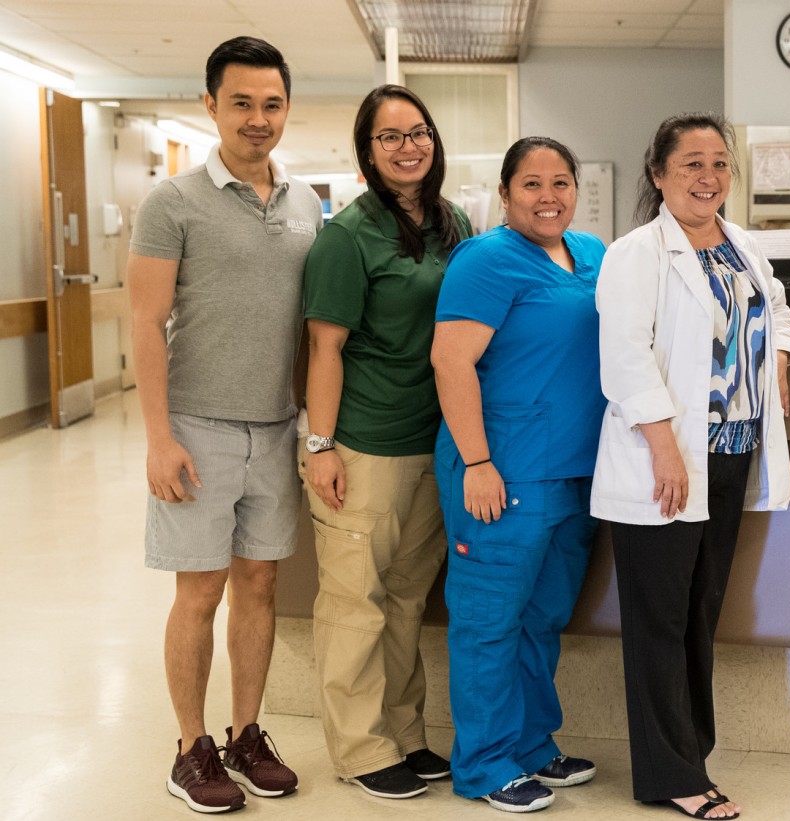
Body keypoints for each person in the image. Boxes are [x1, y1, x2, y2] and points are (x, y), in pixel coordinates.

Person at [129, 36, 319, 814]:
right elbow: (145, 322)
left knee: (262, 585)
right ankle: (190, 746)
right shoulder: (172, 202)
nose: (257, 118)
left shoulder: (307, 203)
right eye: (241, 102)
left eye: (271, 103)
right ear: (210, 104)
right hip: (197, 426)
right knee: (200, 590)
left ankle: (246, 733)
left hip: (276, 426)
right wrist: (158, 437)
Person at [592, 112, 790, 821]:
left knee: (699, 613)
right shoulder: (636, 253)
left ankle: (692, 754)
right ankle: (671, 773)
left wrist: (786, 363)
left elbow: (775, 305)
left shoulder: (741, 245)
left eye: (719, 164)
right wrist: (664, 446)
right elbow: (623, 356)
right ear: (658, 175)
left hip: (732, 454)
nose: (708, 178)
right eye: (691, 165)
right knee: (660, 618)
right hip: (669, 458)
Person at [299, 84, 468, 799]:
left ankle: (405, 732)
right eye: (391, 136)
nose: (409, 146)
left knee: (405, 599)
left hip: (435, 442)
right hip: (365, 443)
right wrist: (320, 444)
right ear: (367, 152)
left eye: (419, 131)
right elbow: (324, 348)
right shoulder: (347, 235)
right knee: (353, 599)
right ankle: (361, 747)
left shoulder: (451, 221)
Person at [431, 136, 606, 814]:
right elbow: (451, 362)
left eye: (561, 181)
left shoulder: (593, 255)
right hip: (501, 470)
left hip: (573, 474)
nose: (548, 196)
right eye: (531, 184)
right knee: (489, 620)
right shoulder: (486, 259)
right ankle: (482, 762)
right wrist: (477, 460)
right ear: (504, 194)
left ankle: (533, 743)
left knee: (543, 616)